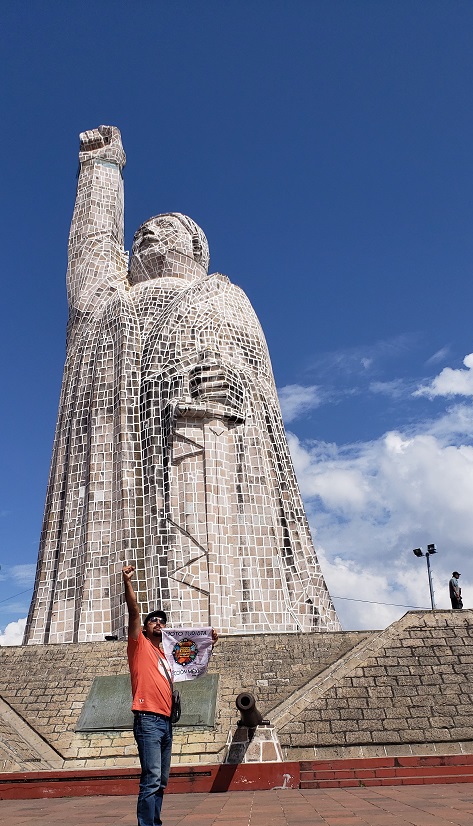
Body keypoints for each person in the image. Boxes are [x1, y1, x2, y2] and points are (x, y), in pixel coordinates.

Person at [24, 125, 341, 644]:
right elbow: (91, 256)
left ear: (196, 246)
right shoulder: (108, 304)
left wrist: (226, 386)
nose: (148, 233)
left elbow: (252, 384)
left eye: (164, 228)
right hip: (112, 466)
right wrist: (101, 170)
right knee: (117, 558)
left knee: (199, 579)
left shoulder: (219, 295)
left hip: (203, 460)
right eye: (141, 232)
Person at [123, 563, 218, 826]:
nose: (158, 624)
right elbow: (134, 613)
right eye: (154, 621)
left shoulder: (167, 657)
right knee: (151, 779)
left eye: (162, 621)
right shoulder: (138, 646)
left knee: (161, 780)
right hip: (148, 718)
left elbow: (192, 655)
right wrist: (128, 584)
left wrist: (209, 641)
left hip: (165, 721)